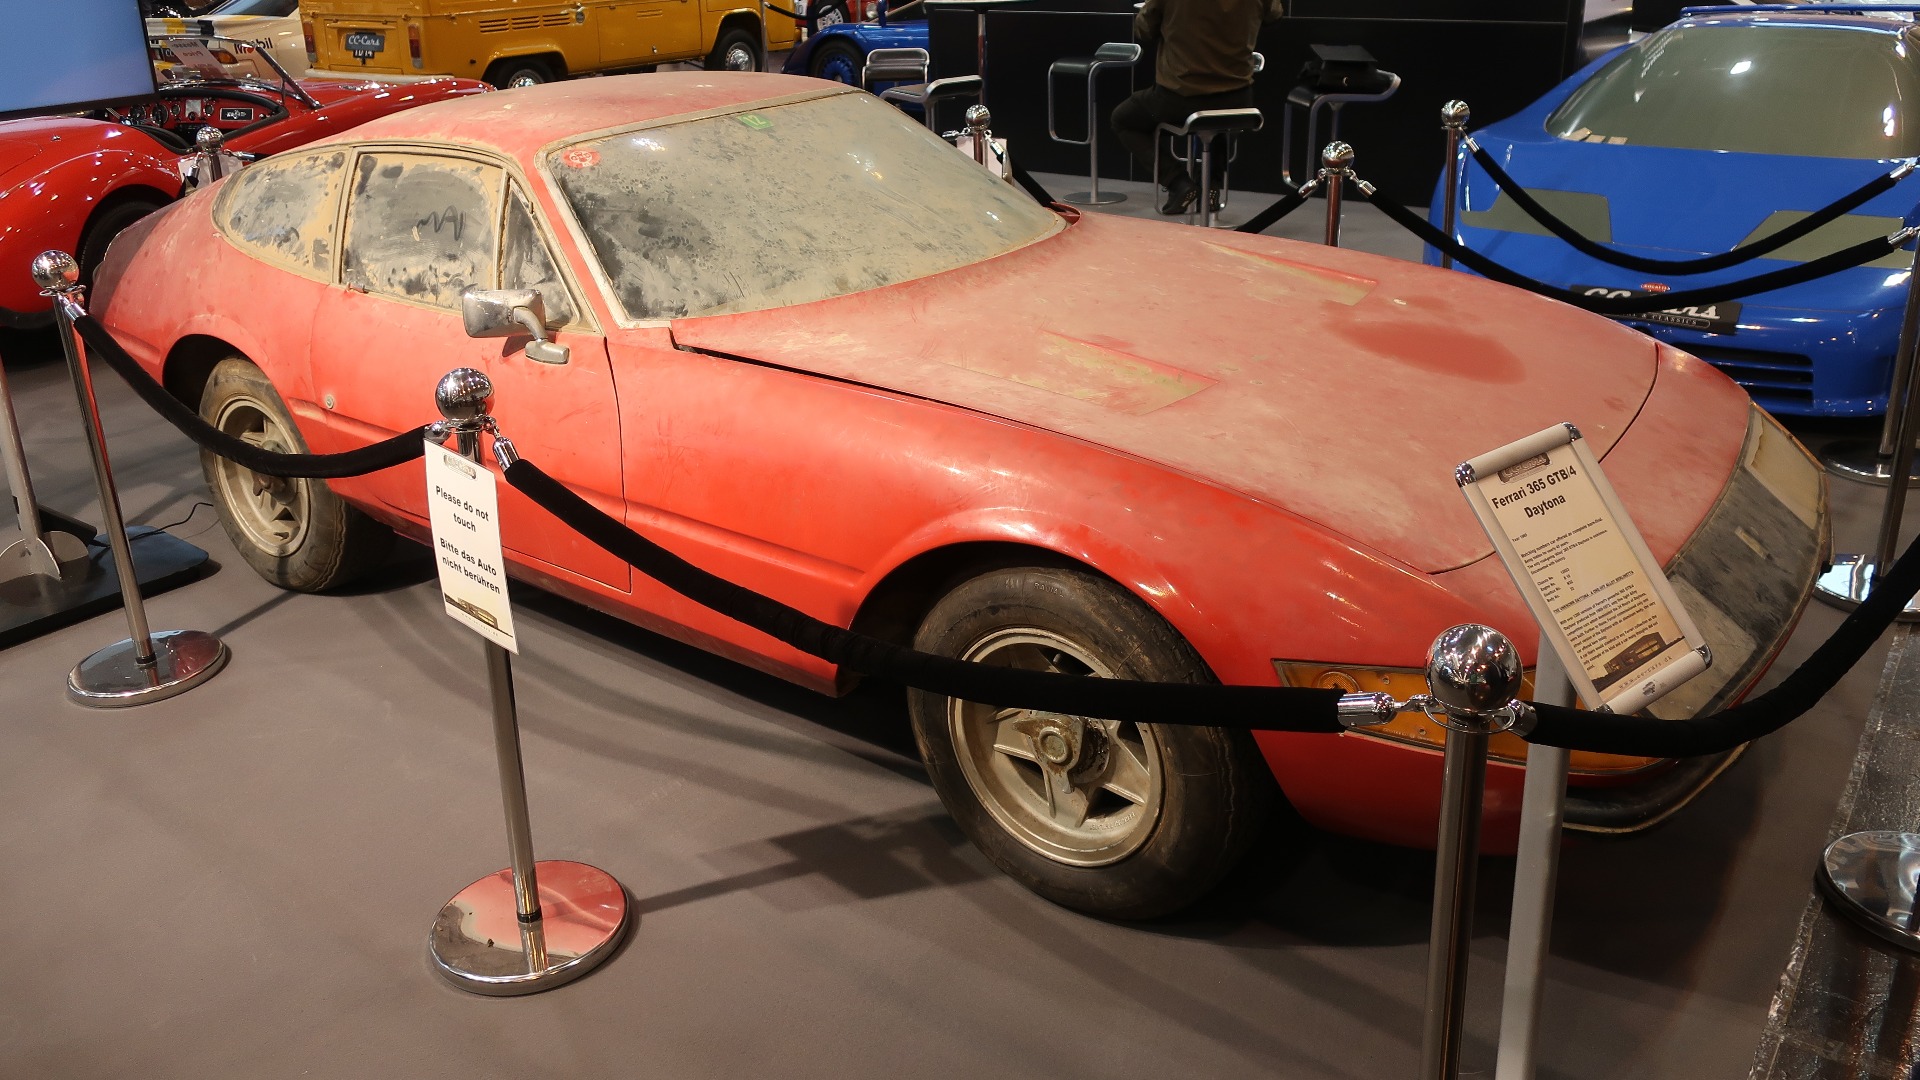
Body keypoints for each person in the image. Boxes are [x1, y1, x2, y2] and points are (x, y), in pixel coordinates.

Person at [1112, 0, 1285, 215]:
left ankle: (1178, 182)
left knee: (1123, 120)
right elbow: (1274, 15)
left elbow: (1144, 29)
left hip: (1179, 97)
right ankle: (1211, 187)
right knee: (1219, 123)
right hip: (1238, 98)